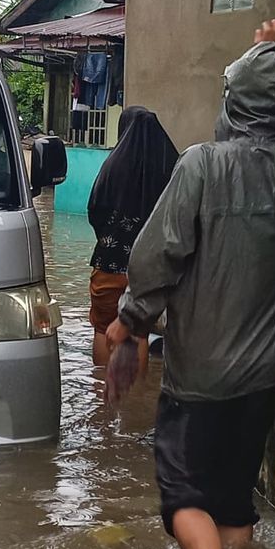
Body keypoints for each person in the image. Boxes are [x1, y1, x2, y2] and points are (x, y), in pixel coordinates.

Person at [106, 20, 275, 549]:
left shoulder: (201, 165)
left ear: (231, 103)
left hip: (201, 371)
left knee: (182, 495)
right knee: (233, 497)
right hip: (265, 371)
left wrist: (129, 322)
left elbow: (157, 257)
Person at [87, 106, 178, 368]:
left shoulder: (111, 168)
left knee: (104, 328)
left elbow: (95, 212)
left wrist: (109, 240)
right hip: (149, 270)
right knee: (137, 332)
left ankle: (100, 396)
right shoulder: (170, 170)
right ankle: (134, 400)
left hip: (109, 265)